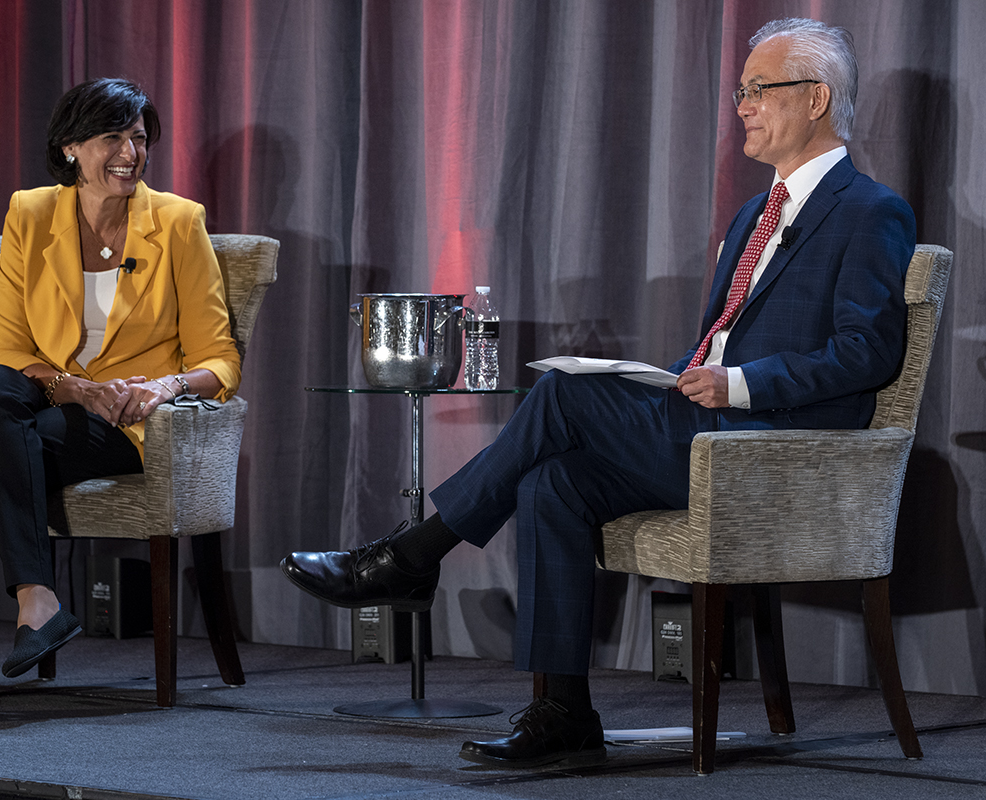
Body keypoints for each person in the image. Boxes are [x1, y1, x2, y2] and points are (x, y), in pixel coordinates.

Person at [281, 18, 915, 768]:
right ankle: (563, 712)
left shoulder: (870, 211)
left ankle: (411, 555)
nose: (741, 105)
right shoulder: (755, 213)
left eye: (757, 89)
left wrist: (740, 384)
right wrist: (669, 378)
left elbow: (867, 353)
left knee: (561, 394)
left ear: (815, 99)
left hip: (773, 450)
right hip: (705, 430)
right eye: (739, 91)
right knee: (553, 481)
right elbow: (722, 341)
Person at [0, 78, 241, 723]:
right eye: (112, 138)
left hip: (129, 421)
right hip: (52, 401)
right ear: (71, 147)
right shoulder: (30, 212)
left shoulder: (178, 222)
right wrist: (73, 387)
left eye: (139, 138)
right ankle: (36, 598)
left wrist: (161, 386)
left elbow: (221, 360)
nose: (130, 153)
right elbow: (7, 348)